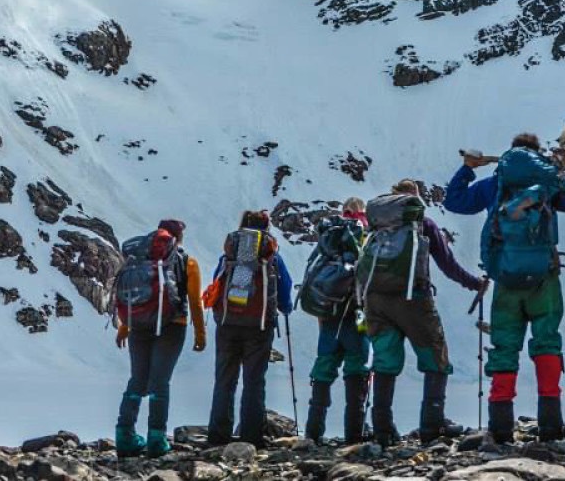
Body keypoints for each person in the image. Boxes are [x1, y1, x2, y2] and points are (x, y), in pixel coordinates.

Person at [445, 133, 565, 443]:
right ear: (536, 157)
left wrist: (467, 168)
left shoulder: (494, 185)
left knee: (505, 348)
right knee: (546, 343)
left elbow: (454, 200)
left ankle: (501, 428)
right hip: (543, 278)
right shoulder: (546, 185)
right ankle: (550, 425)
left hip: (505, 279)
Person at [358, 180, 485, 446]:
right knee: (435, 358)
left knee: (385, 362)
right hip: (413, 299)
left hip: (376, 300)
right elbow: (448, 264)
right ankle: (432, 424)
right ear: (415, 200)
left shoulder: (376, 227)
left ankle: (382, 429)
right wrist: (474, 283)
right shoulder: (423, 224)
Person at [114, 219, 206, 458]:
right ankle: (156, 438)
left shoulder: (141, 260)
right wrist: (200, 333)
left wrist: (125, 326)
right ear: (179, 237)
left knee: (137, 379)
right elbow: (195, 302)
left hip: (139, 325)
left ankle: (124, 435)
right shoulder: (187, 261)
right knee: (159, 383)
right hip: (172, 326)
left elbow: (135, 295)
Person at [205, 210, 293, 446]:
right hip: (258, 326)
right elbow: (285, 287)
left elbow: (217, 281)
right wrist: (285, 308)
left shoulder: (229, 254)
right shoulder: (271, 256)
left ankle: (218, 435)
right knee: (254, 381)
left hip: (227, 324)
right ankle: (251, 436)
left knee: (225, 379)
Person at [303, 198, 372, 444]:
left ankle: (313, 432)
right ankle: (354, 434)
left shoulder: (329, 241)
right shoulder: (365, 237)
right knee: (357, 370)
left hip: (329, 317)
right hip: (359, 316)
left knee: (323, 371)